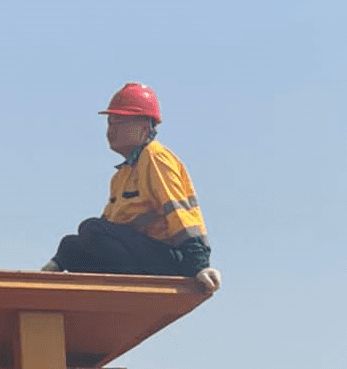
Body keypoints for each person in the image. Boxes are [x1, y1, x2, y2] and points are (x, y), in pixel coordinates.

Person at [45, 83, 221, 295]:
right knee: (73, 244)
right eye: (110, 123)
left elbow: (179, 213)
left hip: (170, 260)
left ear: (145, 127)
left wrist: (199, 266)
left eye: (118, 122)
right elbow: (109, 227)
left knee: (91, 228)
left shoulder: (155, 158)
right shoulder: (122, 176)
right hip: (141, 256)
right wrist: (65, 256)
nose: (111, 130)